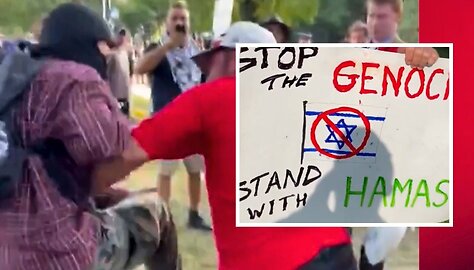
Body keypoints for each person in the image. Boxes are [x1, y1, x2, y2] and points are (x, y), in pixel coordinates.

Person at [88, 21, 439, 270]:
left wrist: (79, 189)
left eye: (208, 63)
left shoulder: (210, 98)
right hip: (335, 254)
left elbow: (126, 152)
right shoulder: (311, 94)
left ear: (228, 57)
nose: (203, 73)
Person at [0, 3, 179, 269]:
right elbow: (114, 145)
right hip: (55, 252)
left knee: (112, 199)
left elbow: (39, 163)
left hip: (7, 247)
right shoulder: (73, 79)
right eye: (105, 49)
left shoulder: (11, 76)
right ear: (88, 43)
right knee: (156, 210)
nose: (107, 57)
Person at [134, 1, 210, 231]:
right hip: (169, 120)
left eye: (183, 19)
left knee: (195, 170)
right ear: (167, 23)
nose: (179, 23)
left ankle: (194, 215)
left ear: (188, 23)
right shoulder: (158, 48)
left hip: (195, 122)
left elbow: (206, 80)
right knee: (166, 171)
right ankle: (164, 218)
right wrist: (168, 46)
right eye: (175, 18)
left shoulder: (197, 51)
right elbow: (139, 68)